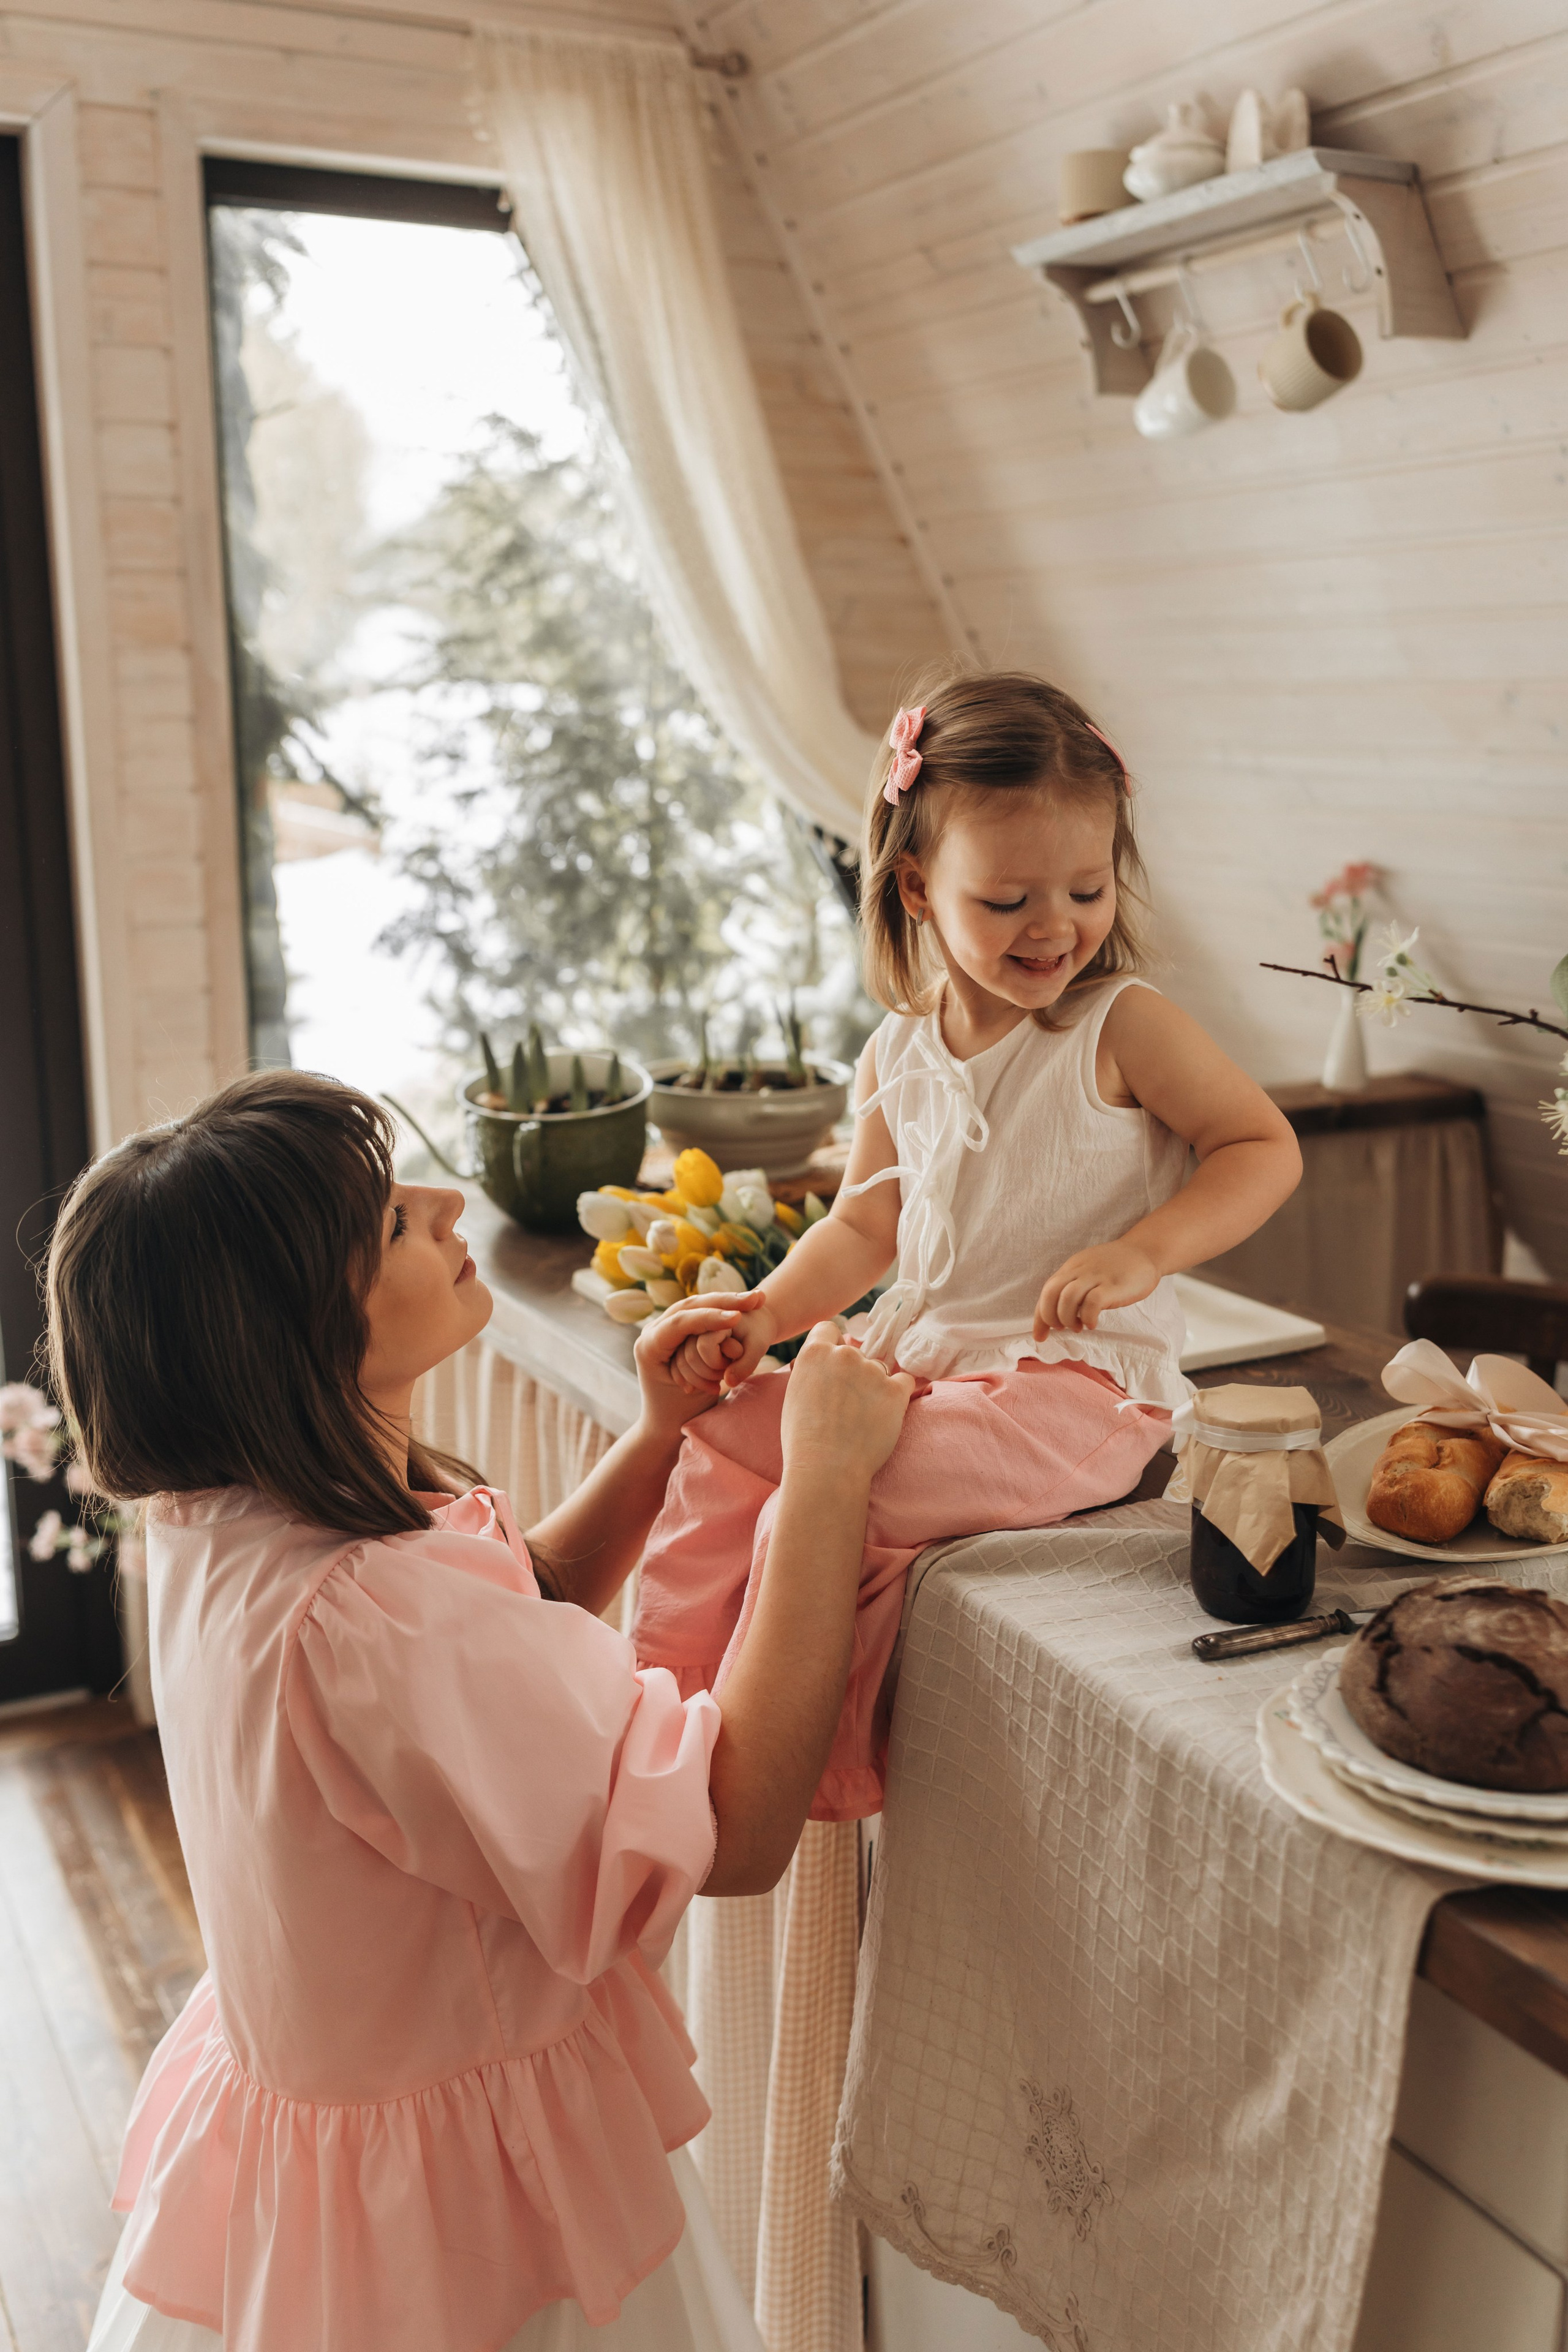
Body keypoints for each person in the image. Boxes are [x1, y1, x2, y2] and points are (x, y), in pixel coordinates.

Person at [46, 1071, 915, 2352]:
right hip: (467, 2234)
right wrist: (826, 1483)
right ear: (289, 1334)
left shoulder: (215, 1525)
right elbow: (731, 1829)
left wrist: (660, 1433)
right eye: (393, 1223)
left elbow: (521, 1602)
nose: (449, 1203)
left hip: (323, 2158)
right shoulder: (382, 1615)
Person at [633, 669, 1303, 1820]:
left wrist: (1145, 1251)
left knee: (840, 1493)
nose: (1056, 926)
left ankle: (815, 1763)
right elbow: (865, 1224)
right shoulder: (897, 1049)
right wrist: (765, 1316)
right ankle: (668, 1713)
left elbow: (1259, 1146)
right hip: (929, 1366)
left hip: (1073, 1393)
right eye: (1007, 902)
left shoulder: (1120, 1025)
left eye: (1087, 888)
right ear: (916, 887)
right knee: (730, 1444)